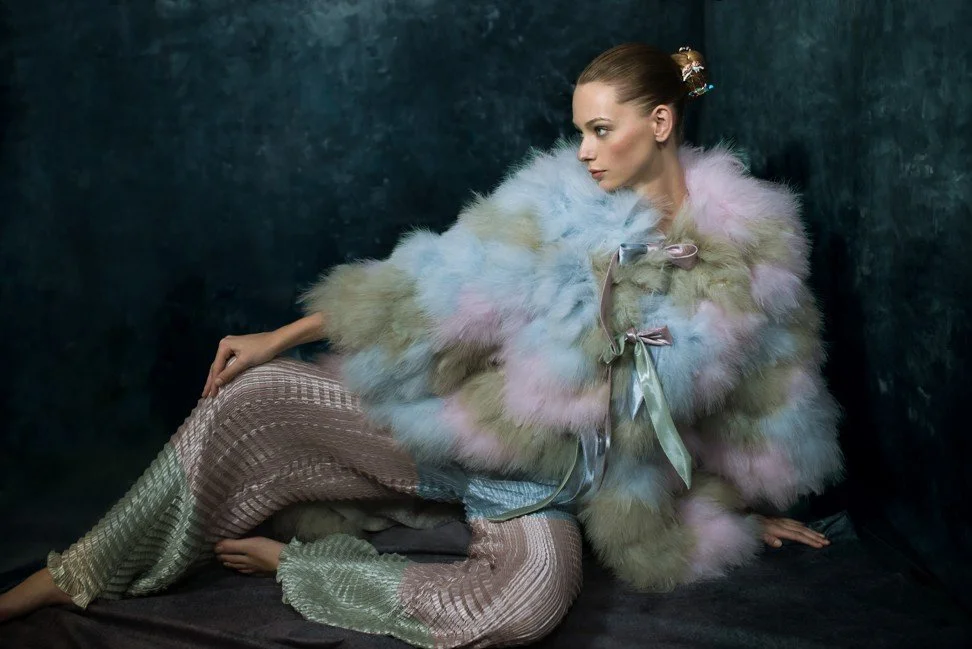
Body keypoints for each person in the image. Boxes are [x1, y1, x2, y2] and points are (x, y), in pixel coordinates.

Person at [0, 43, 842, 647]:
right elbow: (424, 283)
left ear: (659, 121)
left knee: (525, 605)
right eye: (577, 132)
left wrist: (736, 508)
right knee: (250, 403)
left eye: (599, 130)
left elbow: (756, 407)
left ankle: (301, 566)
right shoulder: (552, 203)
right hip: (458, 439)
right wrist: (283, 333)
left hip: (538, 498)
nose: (582, 152)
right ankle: (68, 574)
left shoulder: (749, 254)